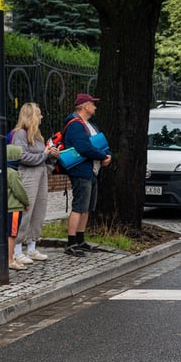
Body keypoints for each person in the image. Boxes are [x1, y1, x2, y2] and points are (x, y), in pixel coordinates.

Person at [63, 93, 112, 257]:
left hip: (92, 169)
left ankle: (80, 239)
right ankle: (71, 243)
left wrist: (107, 155)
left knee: (87, 207)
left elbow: (101, 143)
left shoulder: (90, 124)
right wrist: (102, 157)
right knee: (79, 206)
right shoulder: (75, 125)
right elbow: (83, 147)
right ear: (84, 106)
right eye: (93, 104)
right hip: (81, 170)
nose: (95, 107)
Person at [10, 102, 58, 265]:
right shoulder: (20, 134)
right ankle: (16, 250)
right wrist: (44, 154)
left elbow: (43, 158)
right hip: (28, 176)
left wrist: (52, 155)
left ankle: (31, 246)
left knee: (39, 209)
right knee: (25, 211)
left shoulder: (37, 135)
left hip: (40, 174)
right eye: (39, 113)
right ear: (31, 116)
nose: (42, 116)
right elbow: (22, 156)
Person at [6, 145, 31, 271]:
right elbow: (19, 191)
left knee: (6, 234)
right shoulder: (13, 173)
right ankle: (10, 260)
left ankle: (8, 258)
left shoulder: (3, 170)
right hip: (14, 207)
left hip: (5, 208)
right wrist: (26, 202)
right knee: (12, 234)